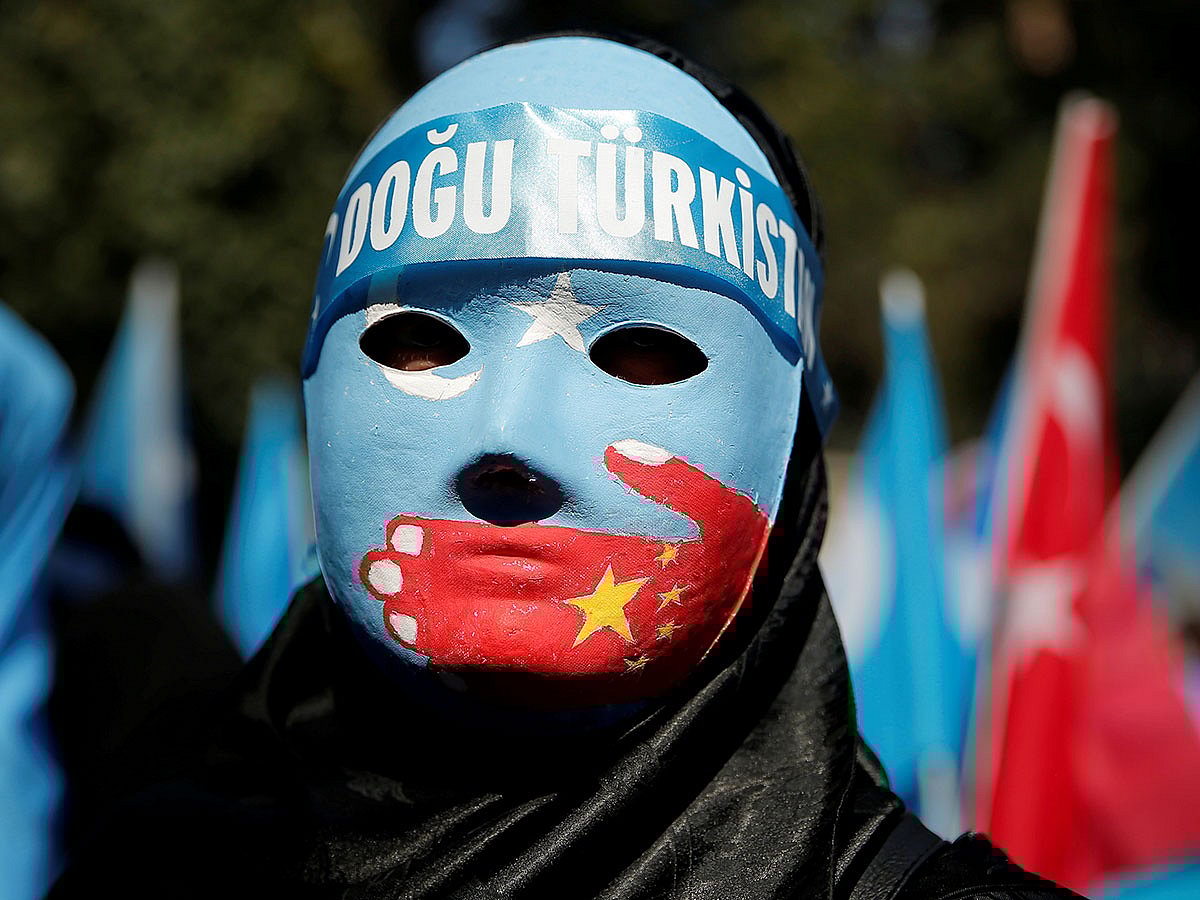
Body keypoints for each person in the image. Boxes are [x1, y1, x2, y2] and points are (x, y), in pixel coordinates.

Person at [50, 33, 1081, 899]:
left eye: (643, 351)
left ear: (796, 445)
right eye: (421, 338)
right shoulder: (150, 867)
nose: (513, 438)